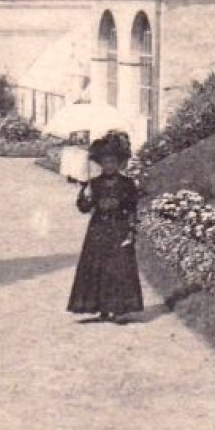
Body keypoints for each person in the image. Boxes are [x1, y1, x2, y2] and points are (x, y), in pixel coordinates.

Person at [67, 132, 143, 323]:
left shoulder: (127, 184)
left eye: (113, 161)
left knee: (118, 267)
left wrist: (131, 231)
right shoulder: (95, 184)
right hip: (98, 229)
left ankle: (117, 308)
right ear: (101, 163)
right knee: (97, 266)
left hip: (118, 228)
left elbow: (132, 208)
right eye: (106, 162)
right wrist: (85, 194)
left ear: (118, 163)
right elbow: (84, 208)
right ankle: (101, 307)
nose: (109, 165)